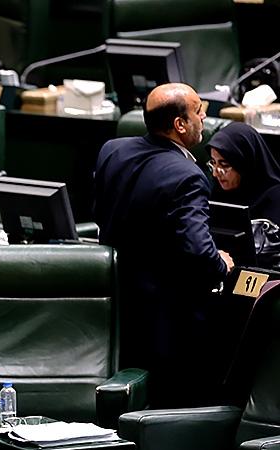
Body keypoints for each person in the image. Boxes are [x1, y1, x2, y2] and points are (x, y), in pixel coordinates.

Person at [94, 83, 234, 407]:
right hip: (168, 318)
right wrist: (221, 264)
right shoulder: (188, 175)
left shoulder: (112, 150)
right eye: (198, 110)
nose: (204, 116)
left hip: (114, 303)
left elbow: (101, 213)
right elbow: (198, 250)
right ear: (180, 124)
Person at [207, 121, 280, 225]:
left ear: (245, 163)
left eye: (225, 165)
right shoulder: (217, 192)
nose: (215, 173)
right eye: (213, 163)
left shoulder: (274, 200)